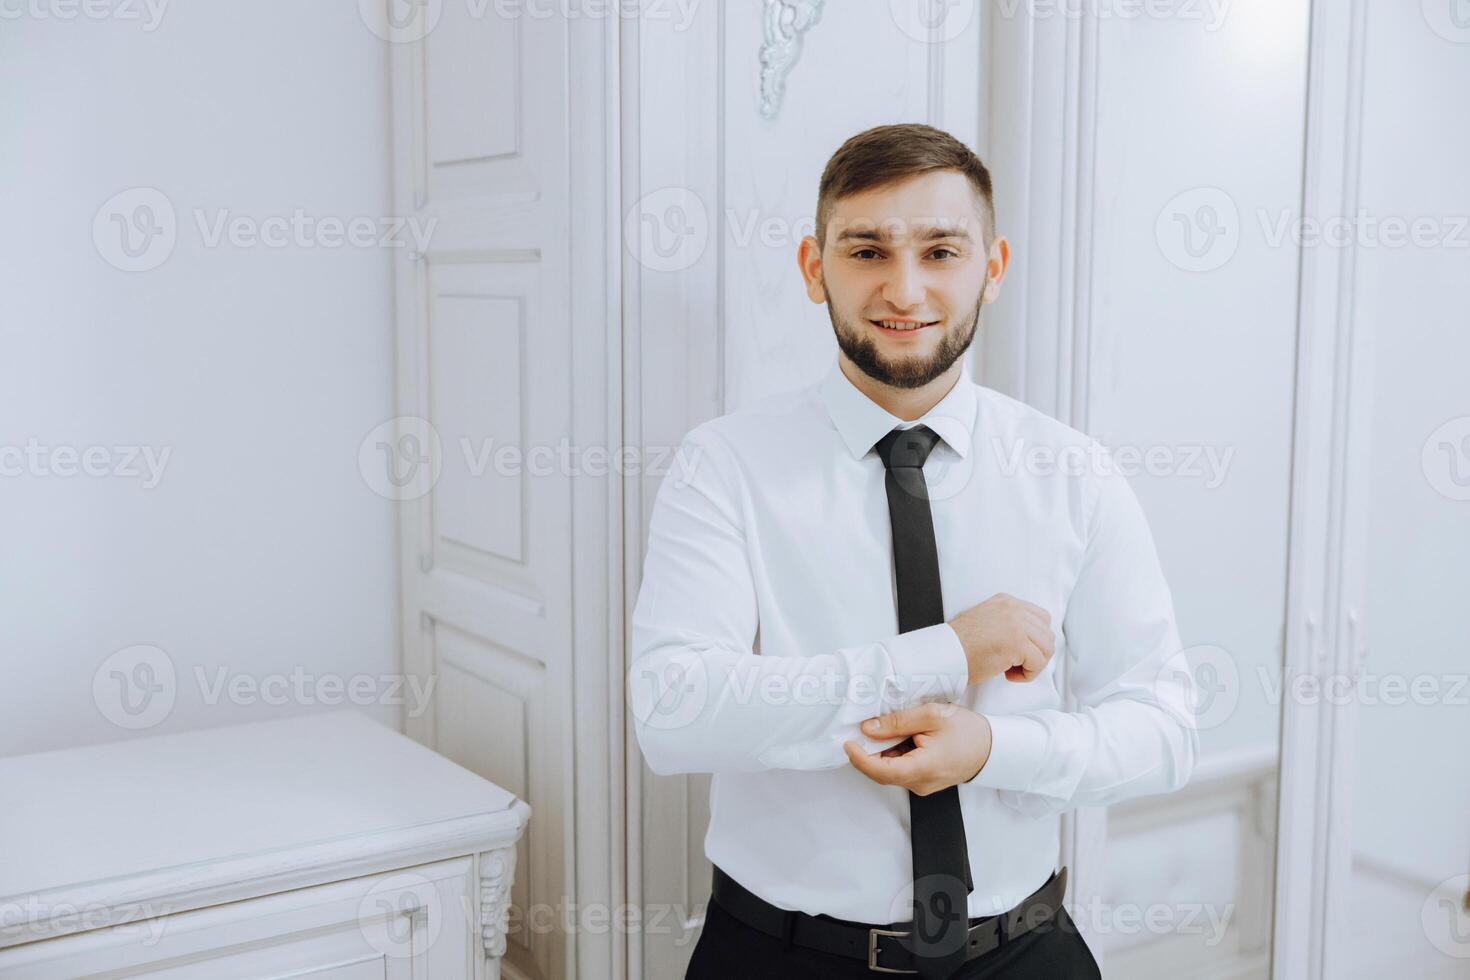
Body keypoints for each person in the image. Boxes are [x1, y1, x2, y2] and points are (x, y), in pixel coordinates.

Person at [628, 123, 1198, 978]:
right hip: (780, 955)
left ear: (992, 269)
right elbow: (671, 714)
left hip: (1026, 951)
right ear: (815, 269)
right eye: (866, 251)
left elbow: (1163, 729)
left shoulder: (1075, 473)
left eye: (941, 251)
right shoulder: (724, 466)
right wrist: (950, 652)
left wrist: (995, 750)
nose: (905, 289)